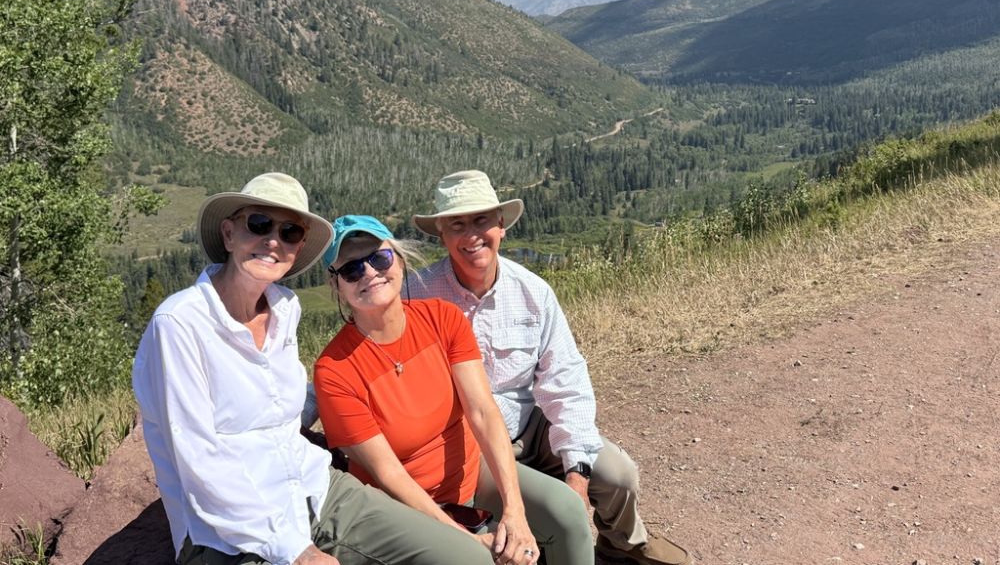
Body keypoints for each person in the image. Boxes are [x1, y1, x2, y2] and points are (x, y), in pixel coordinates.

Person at [133, 173, 498, 565]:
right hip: (228, 534)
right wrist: (297, 551)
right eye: (259, 224)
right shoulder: (180, 324)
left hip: (315, 490)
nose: (273, 240)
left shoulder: (284, 310)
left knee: (466, 559)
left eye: (289, 232)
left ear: (298, 247)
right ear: (228, 233)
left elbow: (278, 408)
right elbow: (199, 463)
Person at [407, 170, 694, 565]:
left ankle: (624, 543)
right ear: (442, 234)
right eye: (458, 224)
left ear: (501, 226)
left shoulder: (533, 292)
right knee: (556, 511)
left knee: (618, 475)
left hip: (530, 425)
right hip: (469, 444)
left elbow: (566, 382)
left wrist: (576, 474)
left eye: (481, 221)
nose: (472, 234)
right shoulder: (414, 295)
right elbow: (358, 357)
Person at [312, 215, 593, 565]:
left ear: (398, 259)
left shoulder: (442, 318)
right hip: (401, 505)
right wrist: (464, 539)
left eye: (379, 258)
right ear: (337, 286)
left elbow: (482, 411)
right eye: (351, 270)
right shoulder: (335, 369)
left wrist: (515, 511)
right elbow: (389, 475)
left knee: (567, 512)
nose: (369, 273)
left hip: (469, 471)